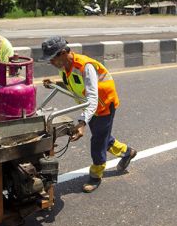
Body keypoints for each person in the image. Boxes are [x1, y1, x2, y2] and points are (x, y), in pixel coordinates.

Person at [40, 36, 137, 193]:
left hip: (103, 105)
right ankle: (127, 151)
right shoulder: (64, 66)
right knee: (102, 135)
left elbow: (93, 97)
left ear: (63, 52)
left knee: (98, 141)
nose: (51, 63)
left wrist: (82, 122)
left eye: (52, 58)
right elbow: (72, 84)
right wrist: (54, 84)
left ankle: (95, 176)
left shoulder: (85, 66)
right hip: (90, 107)